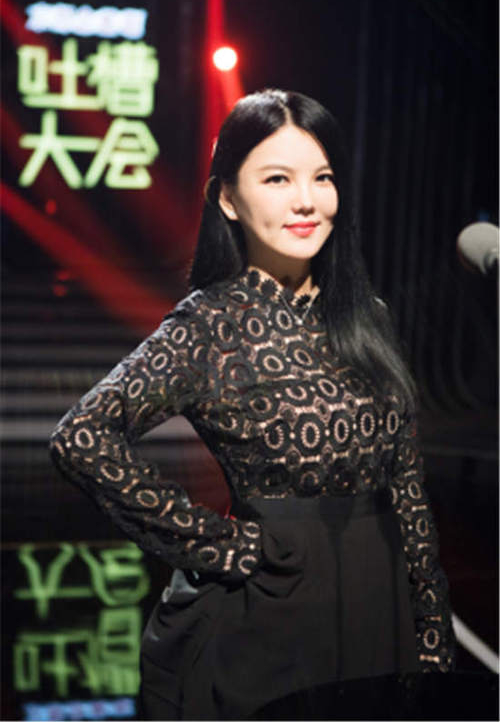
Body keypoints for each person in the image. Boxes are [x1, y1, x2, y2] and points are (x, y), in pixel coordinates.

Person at [49, 89, 456, 721]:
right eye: (277, 179)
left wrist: (431, 630)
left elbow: (406, 487)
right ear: (228, 199)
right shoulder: (210, 325)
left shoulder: (366, 316)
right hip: (272, 614)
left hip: (382, 613)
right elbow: (81, 437)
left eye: (323, 177)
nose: (306, 200)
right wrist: (216, 543)